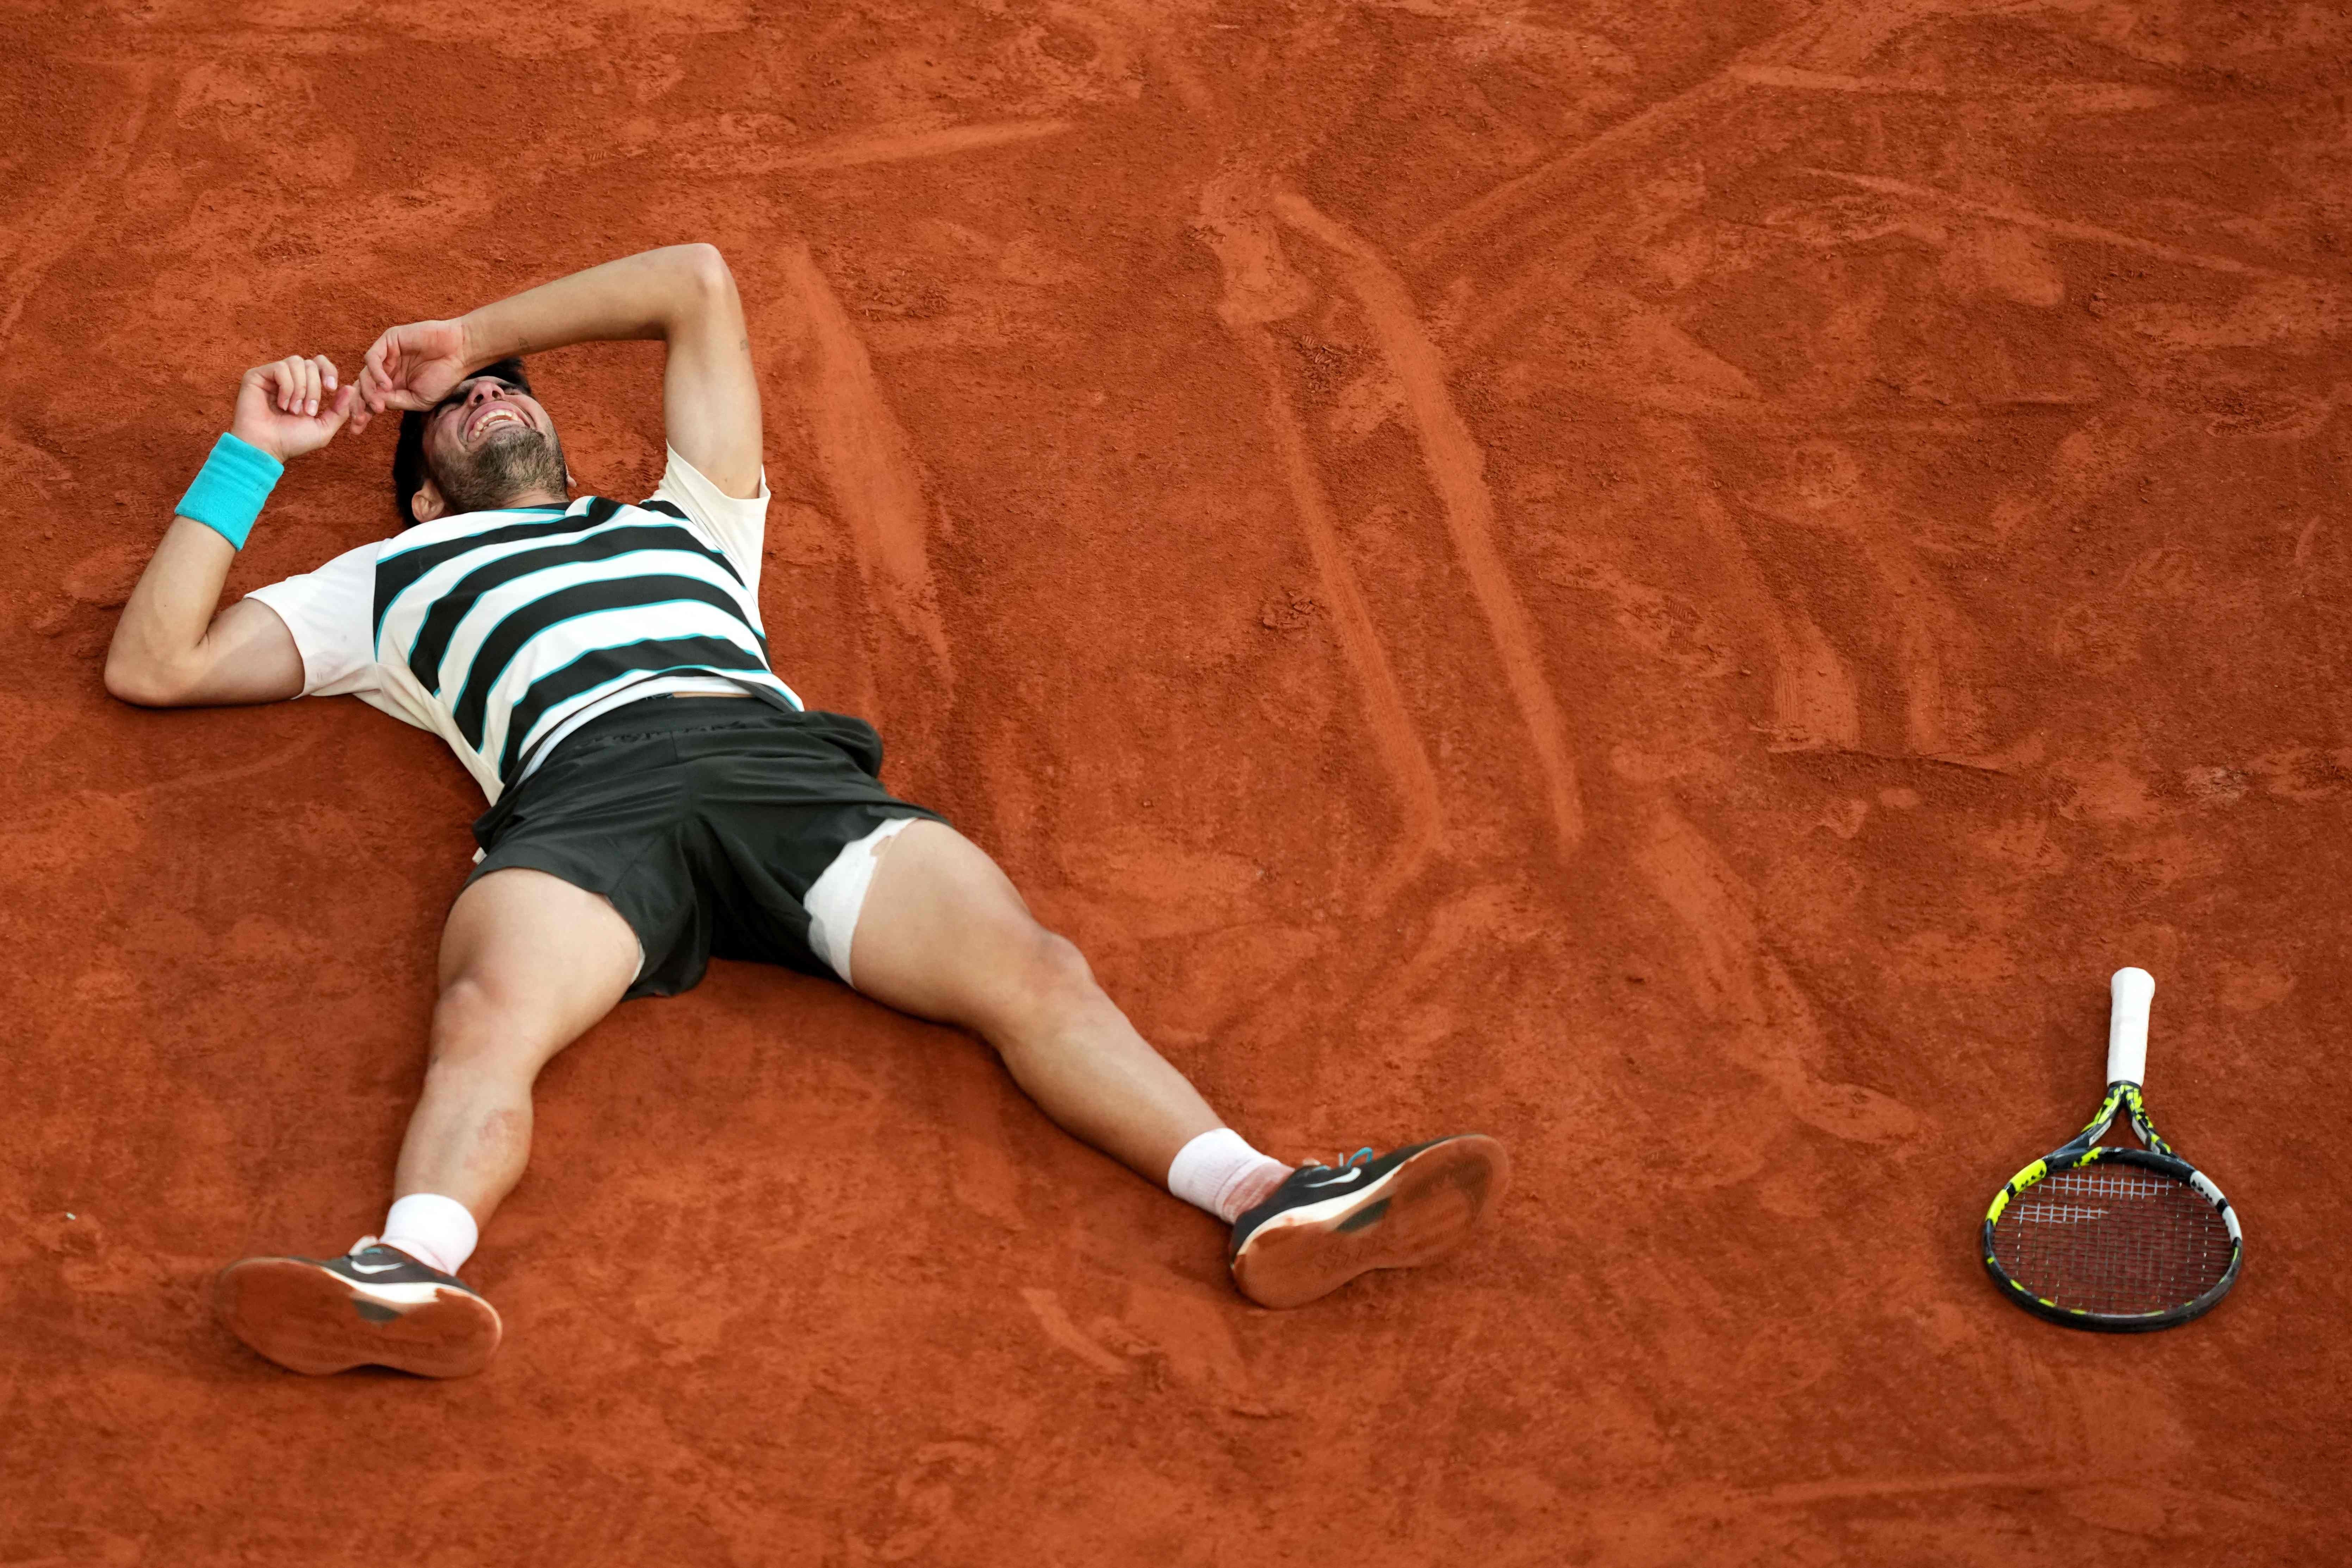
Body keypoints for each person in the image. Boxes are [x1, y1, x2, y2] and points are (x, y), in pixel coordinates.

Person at [104, 244, 1510, 1378]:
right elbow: (155, 665)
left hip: (781, 773)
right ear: (419, 495)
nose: (489, 400)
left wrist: (469, 335)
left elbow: (696, 281)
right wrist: (254, 452)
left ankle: (1262, 1194)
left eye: (508, 390)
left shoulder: (691, 519)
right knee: (487, 1017)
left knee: (1032, 968)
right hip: (583, 799)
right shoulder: (383, 581)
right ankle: (407, 1271)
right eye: (455, 410)